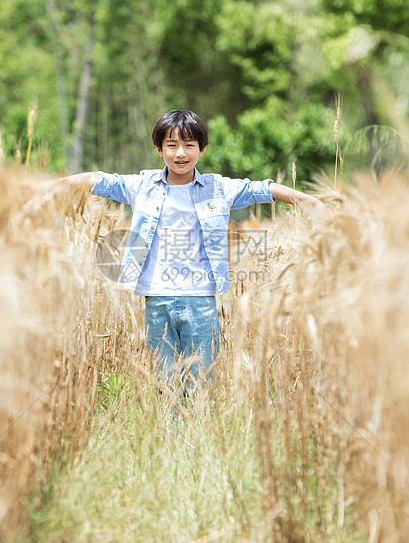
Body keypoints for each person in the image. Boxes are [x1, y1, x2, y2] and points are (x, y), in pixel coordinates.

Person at [54, 110, 323, 387]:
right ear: (159, 149)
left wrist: (311, 202)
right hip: (157, 298)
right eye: (171, 145)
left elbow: (263, 189)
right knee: (165, 382)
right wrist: (46, 188)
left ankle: (199, 429)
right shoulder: (142, 185)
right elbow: (94, 180)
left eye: (189, 145)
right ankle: (170, 430)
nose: (180, 153)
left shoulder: (219, 188)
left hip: (201, 300)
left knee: (200, 382)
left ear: (201, 149)